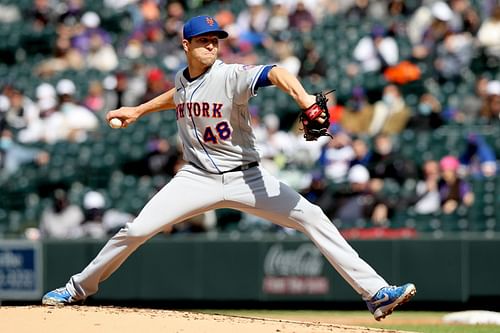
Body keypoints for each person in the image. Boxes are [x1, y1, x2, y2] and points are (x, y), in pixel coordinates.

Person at [41, 15, 416, 321]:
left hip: (246, 177)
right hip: (196, 177)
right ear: (185, 45)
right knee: (135, 228)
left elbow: (276, 72)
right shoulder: (182, 80)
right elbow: (179, 94)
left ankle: (376, 293)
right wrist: (138, 110)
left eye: (215, 40)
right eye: (203, 40)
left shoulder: (229, 75)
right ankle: (77, 287)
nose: (210, 45)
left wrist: (303, 98)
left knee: (313, 216)